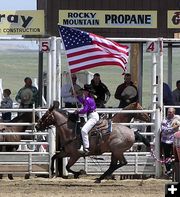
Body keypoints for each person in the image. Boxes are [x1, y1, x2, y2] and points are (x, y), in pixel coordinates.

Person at [75, 84, 99, 155]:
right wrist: (77, 97)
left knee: (84, 130)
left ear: (87, 92)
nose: (83, 92)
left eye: (84, 91)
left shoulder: (88, 99)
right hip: (92, 115)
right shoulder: (88, 99)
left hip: (92, 117)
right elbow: (83, 102)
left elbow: (85, 110)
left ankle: (86, 148)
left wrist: (78, 112)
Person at [161, 107, 180, 178]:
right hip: (166, 141)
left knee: (176, 156)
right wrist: (173, 128)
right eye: (168, 112)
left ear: (173, 113)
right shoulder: (164, 121)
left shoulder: (177, 119)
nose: (169, 113)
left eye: (171, 112)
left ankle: (176, 171)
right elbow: (164, 130)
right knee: (167, 156)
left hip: (175, 141)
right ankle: (169, 171)